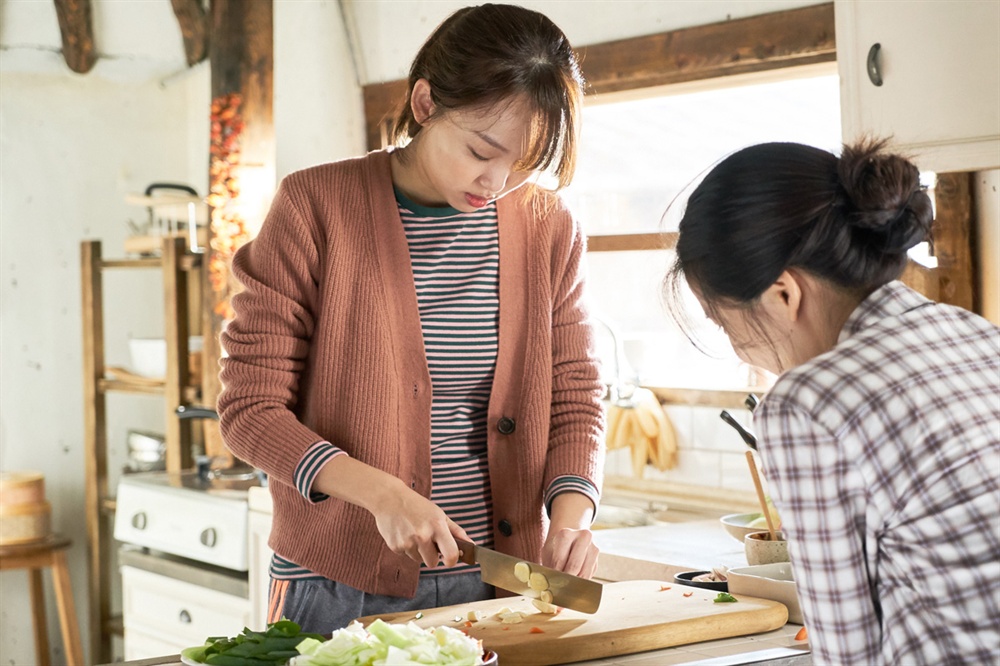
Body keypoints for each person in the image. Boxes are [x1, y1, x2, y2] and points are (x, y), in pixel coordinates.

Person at [217, 3, 605, 633]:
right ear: (425, 103)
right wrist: (383, 494)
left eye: (523, 164)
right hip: (339, 585)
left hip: (501, 584)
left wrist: (570, 516)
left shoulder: (548, 227)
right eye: (483, 150)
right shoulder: (316, 206)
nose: (497, 181)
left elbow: (576, 397)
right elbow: (250, 412)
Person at [665, 139, 999, 664]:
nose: (737, 349)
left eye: (725, 324)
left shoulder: (806, 405)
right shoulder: (975, 334)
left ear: (783, 294)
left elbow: (848, 650)